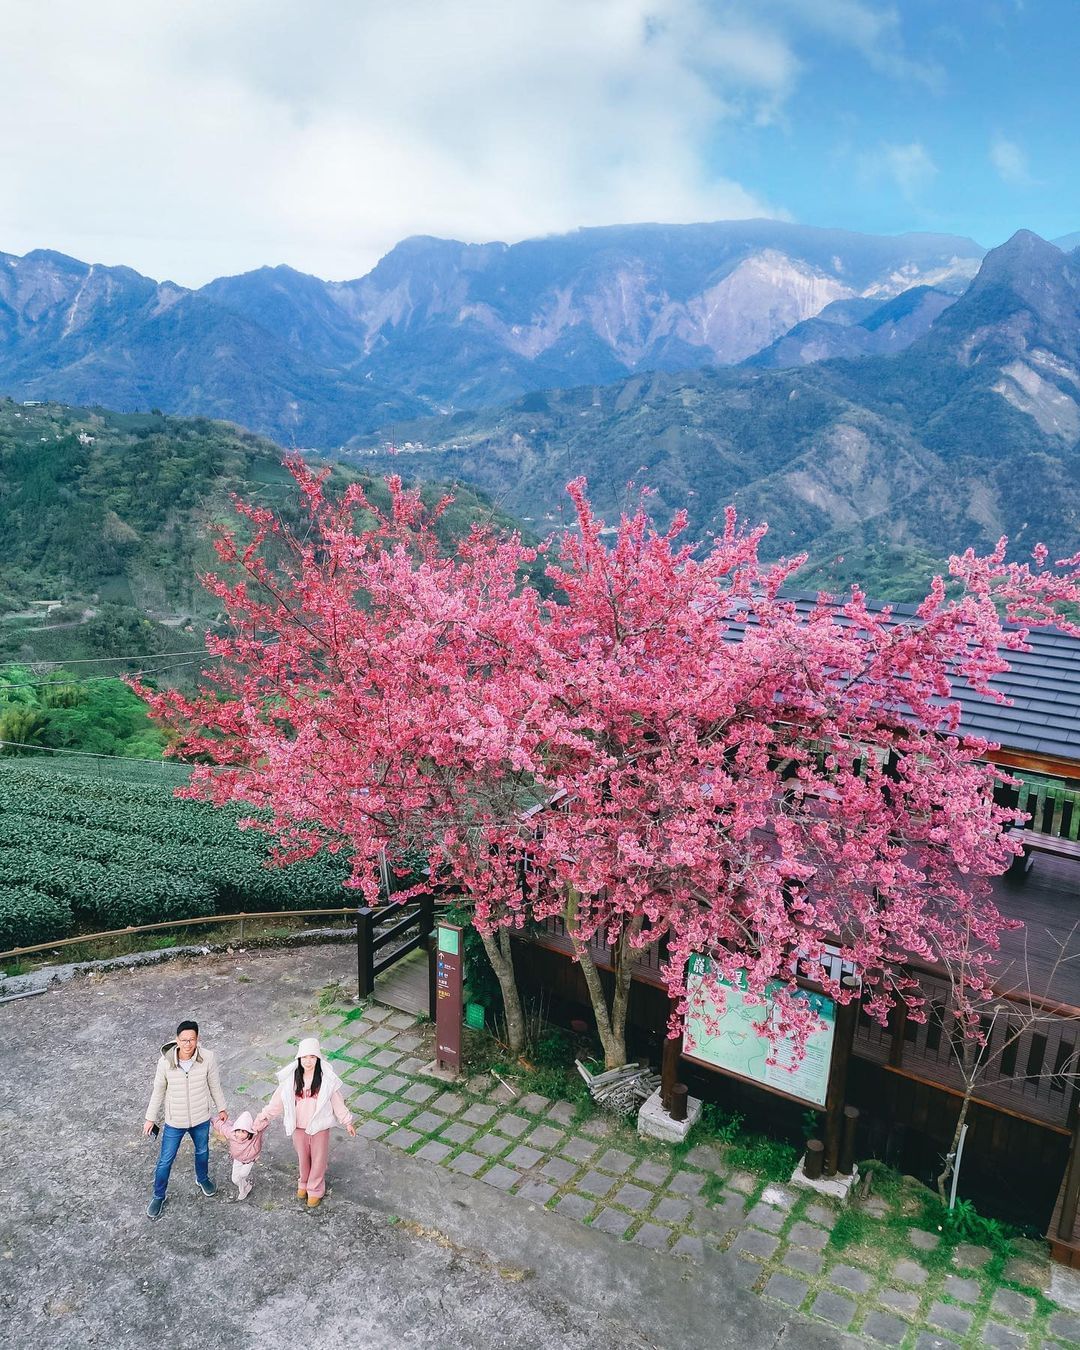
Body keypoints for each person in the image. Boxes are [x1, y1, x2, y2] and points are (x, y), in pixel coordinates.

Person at [255, 1037, 356, 1208]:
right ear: (299, 1058)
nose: (308, 1061)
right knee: (303, 1157)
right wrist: (263, 1116)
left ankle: (315, 1188)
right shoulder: (290, 1080)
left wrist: (347, 1121)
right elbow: (276, 1103)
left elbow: (337, 1102)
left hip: (319, 1127)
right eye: (304, 1057)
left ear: (318, 1059)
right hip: (299, 1126)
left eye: (312, 1057)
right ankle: (304, 1182)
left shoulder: (326, 1080)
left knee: (319, 1158)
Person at [143, 1019, 228, 1220]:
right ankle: (158, 1195)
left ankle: (202, 1178)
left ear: (198, 1039)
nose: (188, 1044)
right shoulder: (165, 1063)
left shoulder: (208, 1058)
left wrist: (222, 1107)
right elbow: (158, 1091)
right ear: (176, 1040)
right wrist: (150, 1118)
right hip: (175, 1121)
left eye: (192, 1040)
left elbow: (214, 1085)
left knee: (202, 1151)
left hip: (200, 1118)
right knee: (165, 1160)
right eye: (183, 1040)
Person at [211, 1109, 265, 1201]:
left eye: (243, 1132)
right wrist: (209, 1117)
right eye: (238, 1131)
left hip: (250, 1159)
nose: (240, 1134)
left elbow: (263, 1123)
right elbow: (221, 1125)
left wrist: (263, 1116)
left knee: (242, 1174)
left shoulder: (255, 1136)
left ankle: (243, 1191)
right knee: (235, 1179)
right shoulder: (231, 1133)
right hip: (237, 1159)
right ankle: (246, 1187)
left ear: (249, 1133)